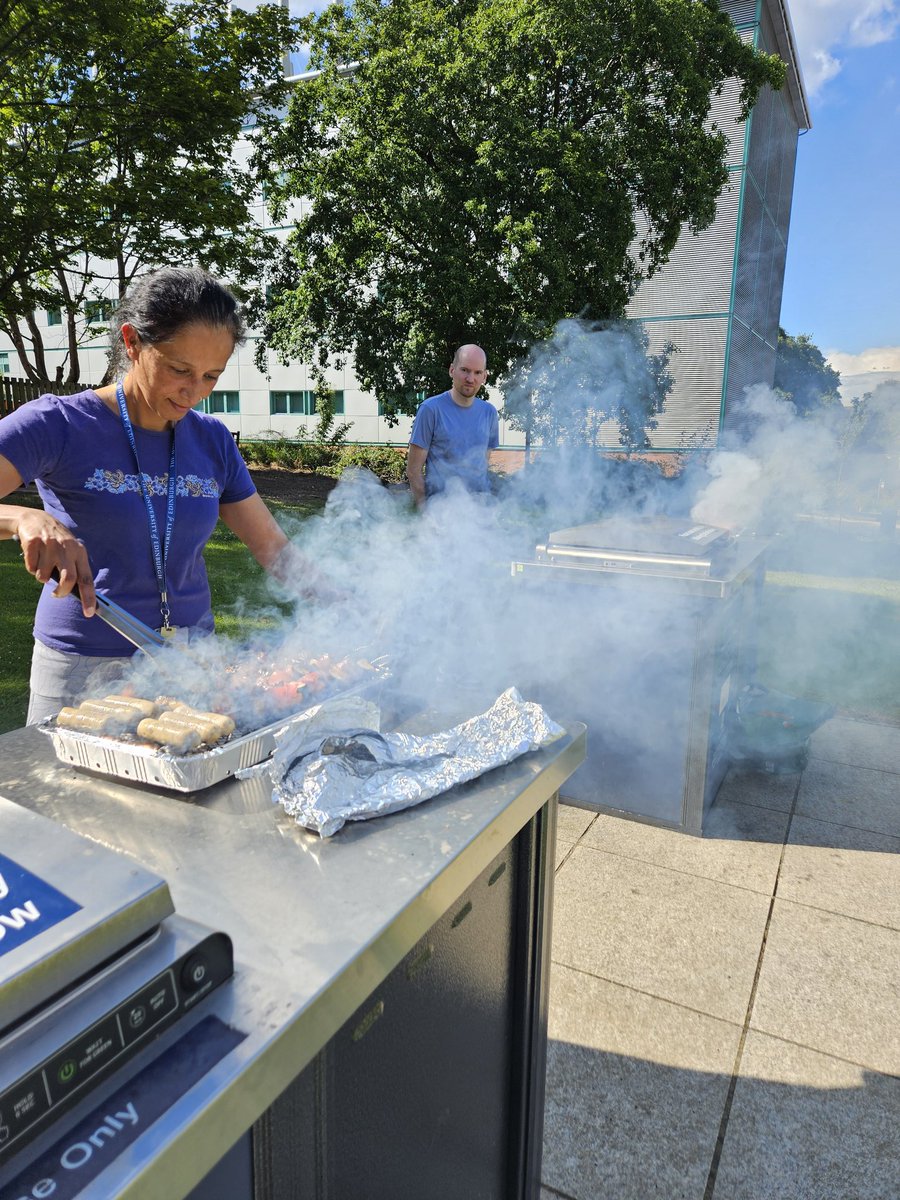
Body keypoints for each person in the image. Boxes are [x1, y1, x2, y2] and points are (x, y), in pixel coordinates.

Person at [0, 266, 296, 724]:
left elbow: (275, 550)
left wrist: (357, 606)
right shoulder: (57, 424)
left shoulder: (213, 440)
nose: (194, 392)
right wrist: (23, 519)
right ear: (133, 343)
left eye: (211, 376)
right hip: (83, 665)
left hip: (192, 669)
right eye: (180, 370)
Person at [407, 344, 499, 506]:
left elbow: (482, 465)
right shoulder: (431, 409)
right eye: (465, 370)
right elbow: (414, 471)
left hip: (479, 511)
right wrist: (426, 513)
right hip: (441, 512)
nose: (470, 379)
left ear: (484, 377)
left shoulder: (489, 413)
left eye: (477, 372)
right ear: (452, 370)